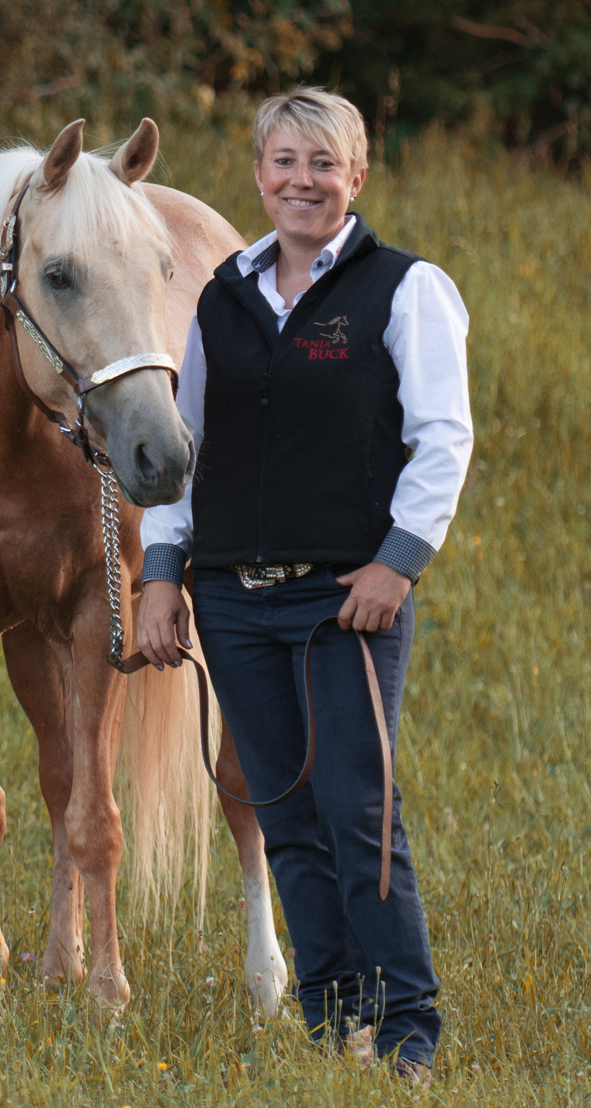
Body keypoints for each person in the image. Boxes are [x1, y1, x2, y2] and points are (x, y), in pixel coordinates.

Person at [137, 87, 472, 1080]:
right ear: (257, 174)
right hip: (232, 600)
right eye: (283, 161)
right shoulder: (221, 299)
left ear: (355, 176)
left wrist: (395, 561)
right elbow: (183, 452)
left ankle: (406, 1025)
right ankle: (334, 1020)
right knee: (281, 806)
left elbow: (441, 438)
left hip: (345, 597)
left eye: (322, 162)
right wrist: (162, 573)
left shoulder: (404, 289)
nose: (301, 180)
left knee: (354, 806)